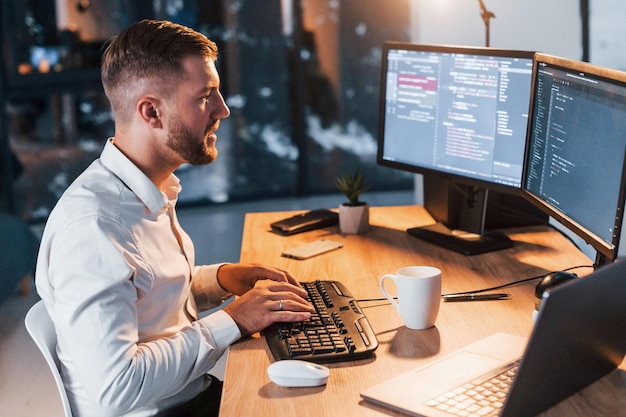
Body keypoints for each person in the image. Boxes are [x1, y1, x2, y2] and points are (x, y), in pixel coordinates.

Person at [35, 19, 315, 417]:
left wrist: (220, 280)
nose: (223, 109)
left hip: (190, 395)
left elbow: (148, 295)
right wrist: (234, 319)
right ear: (151, 112)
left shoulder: (147, 189)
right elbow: (116, 389)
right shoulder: (94, 228)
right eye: (205, 96)